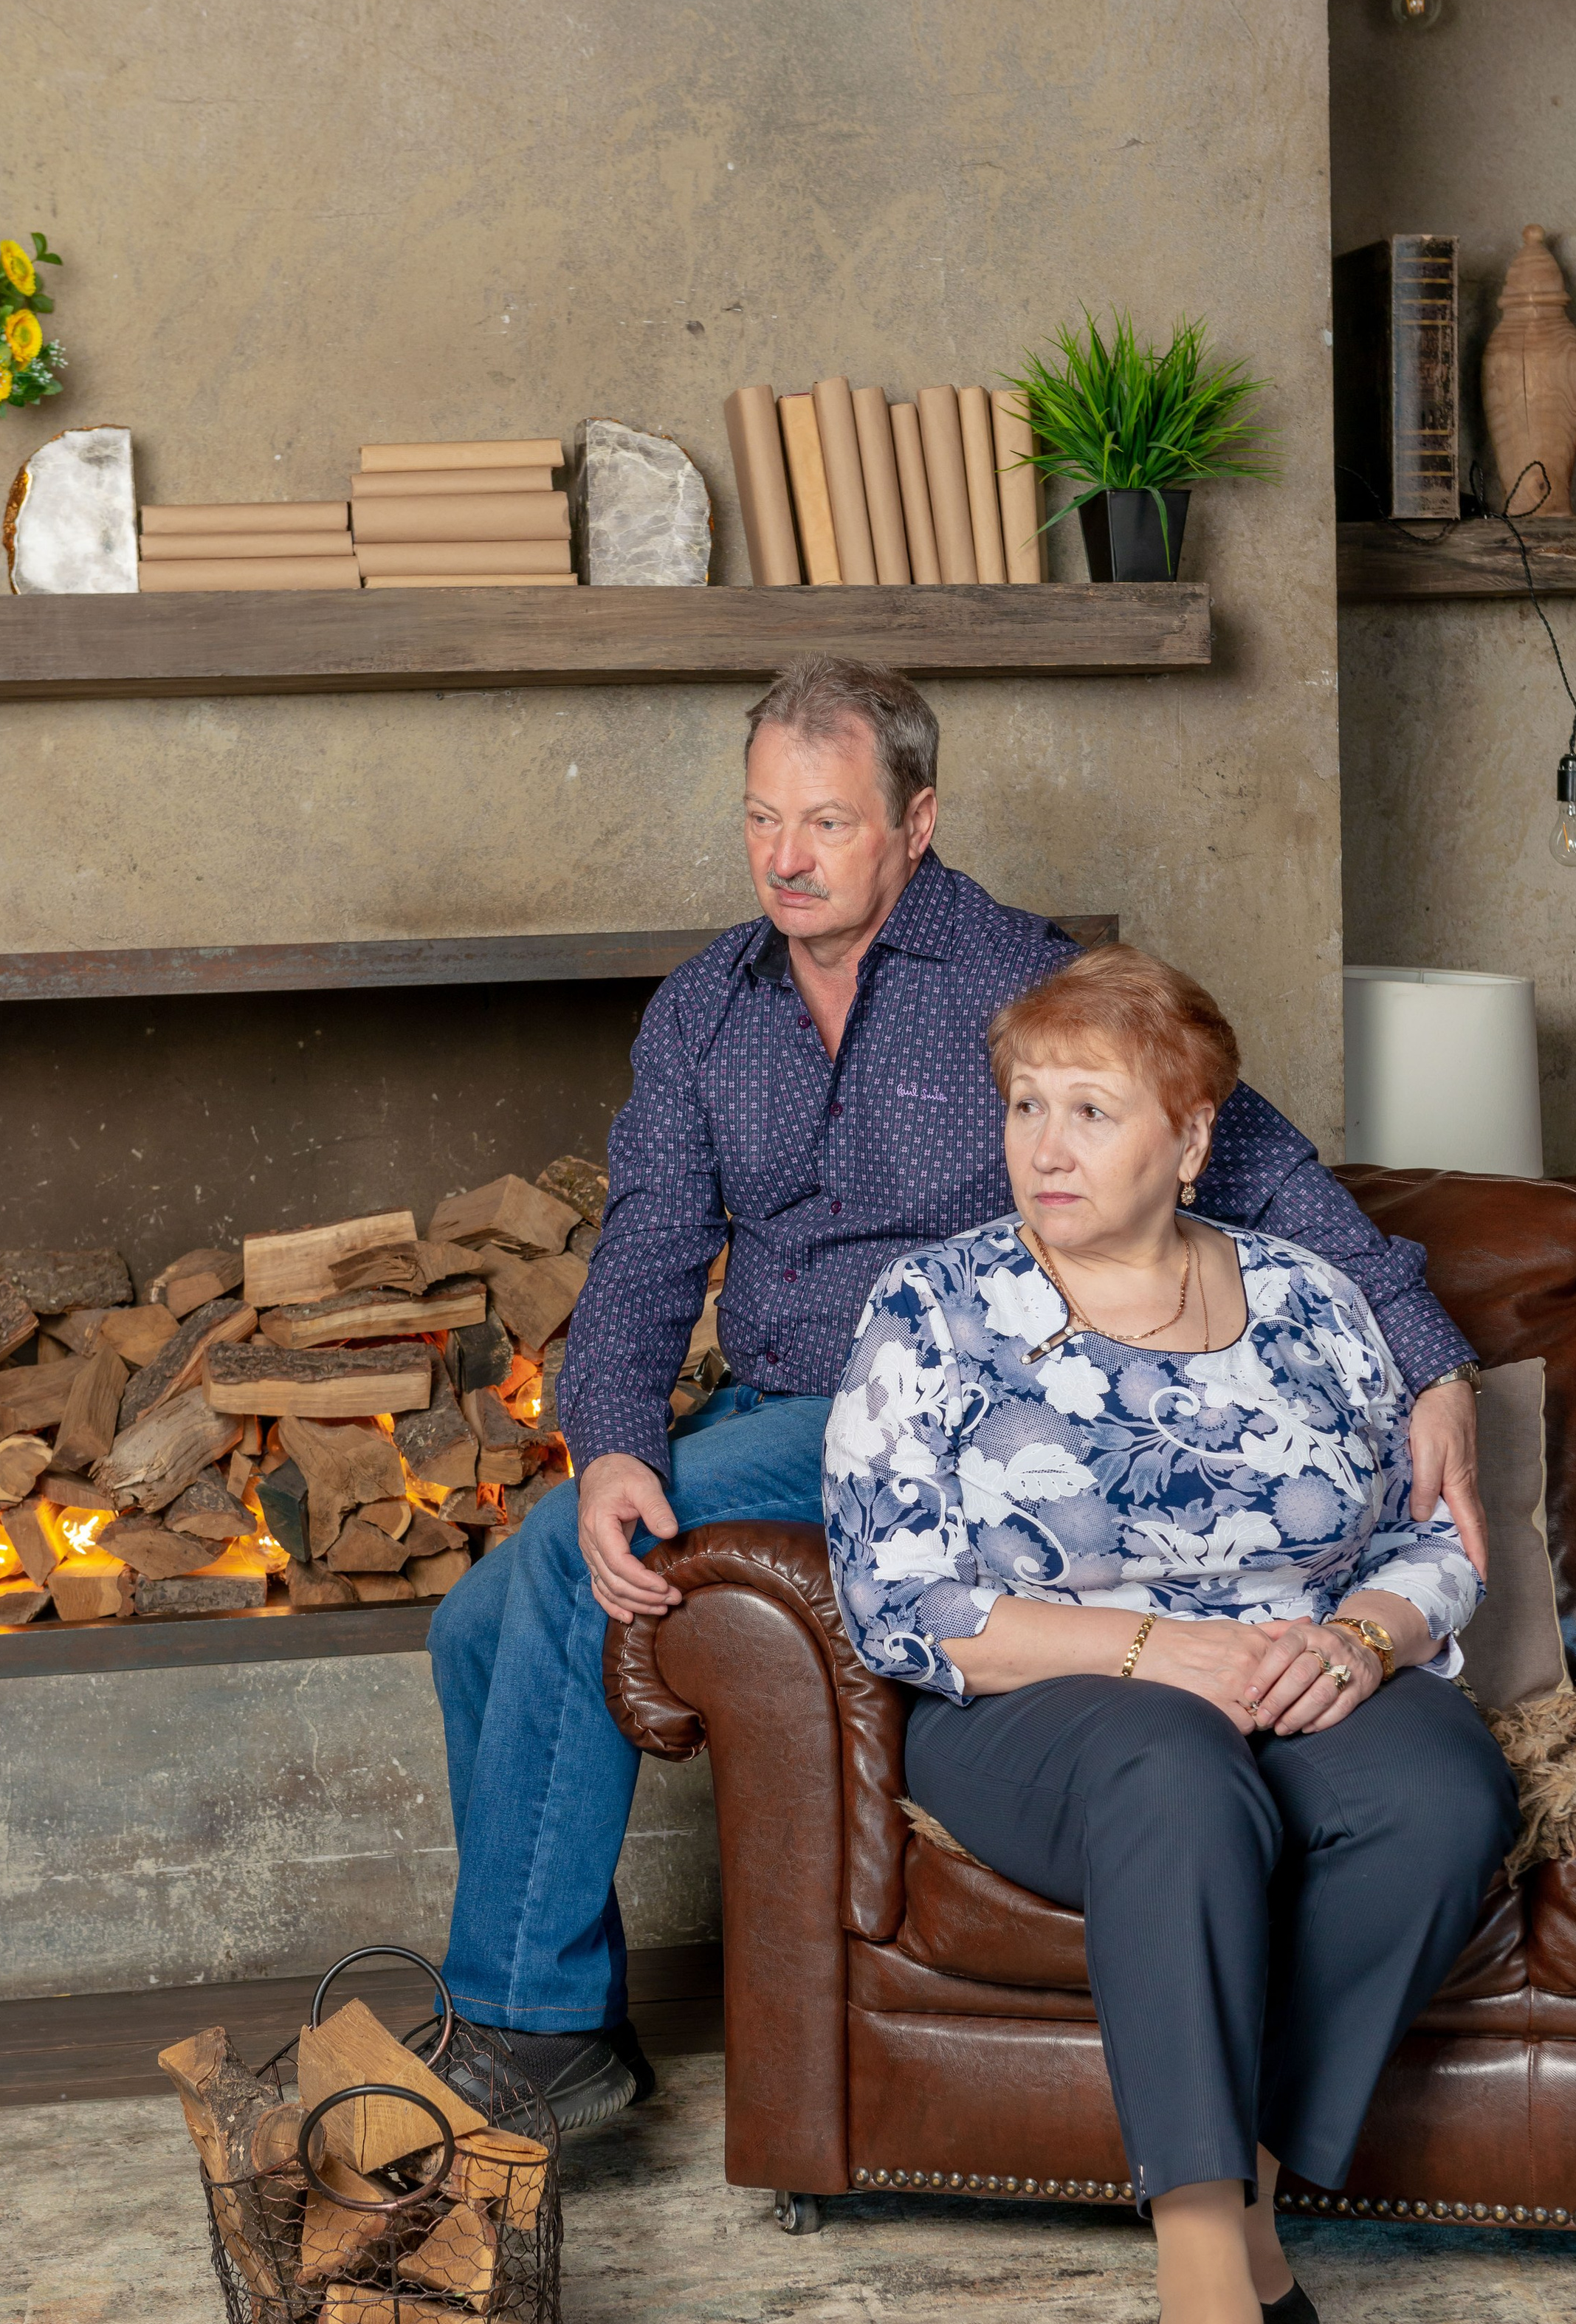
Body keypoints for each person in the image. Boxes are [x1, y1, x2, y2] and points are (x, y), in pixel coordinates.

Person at [427, 656, 1488, 2148]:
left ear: (915, 822)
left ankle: (523, 2034)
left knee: (555, 1566)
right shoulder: (704, 1007)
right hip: (764, 1411)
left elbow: (1256, 1169)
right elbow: (648, 1244)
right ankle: (571, 2011)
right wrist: (608, 1442)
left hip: (935, 1408)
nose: (787, 856)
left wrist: (1432, 1359)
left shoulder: (1019, 981)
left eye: (827, 822)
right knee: (475, 1622)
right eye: (761, 820)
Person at [822, 944, 1518, 2324]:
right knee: (1179, 1769)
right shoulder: (936, 1307)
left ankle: (1257, 2182)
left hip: (1288, 1666)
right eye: (1026, 1104)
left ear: (1192, 1135)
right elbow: (895, 1596)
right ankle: (1202, 2260)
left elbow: (1433, 1540)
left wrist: (1361, 1638)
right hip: (1043, 1698)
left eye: (1091, 1108)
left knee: (1441, 1793)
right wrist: (1159, 1652)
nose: (1045, 1143)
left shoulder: (1309, 1298)